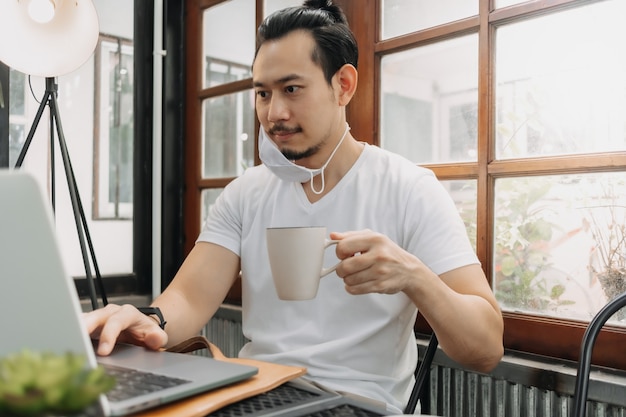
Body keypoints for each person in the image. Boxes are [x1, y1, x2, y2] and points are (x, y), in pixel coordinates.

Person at [84, 0, 504, 412]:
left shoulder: (409, 188)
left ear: (343, 85)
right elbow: (189, 301)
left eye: (291, 89)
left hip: (356, 405)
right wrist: (148, 321)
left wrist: (415, 277)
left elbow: (485, 349)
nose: (274, 113)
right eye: (263, 94)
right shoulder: (246, 193)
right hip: (256, 395)